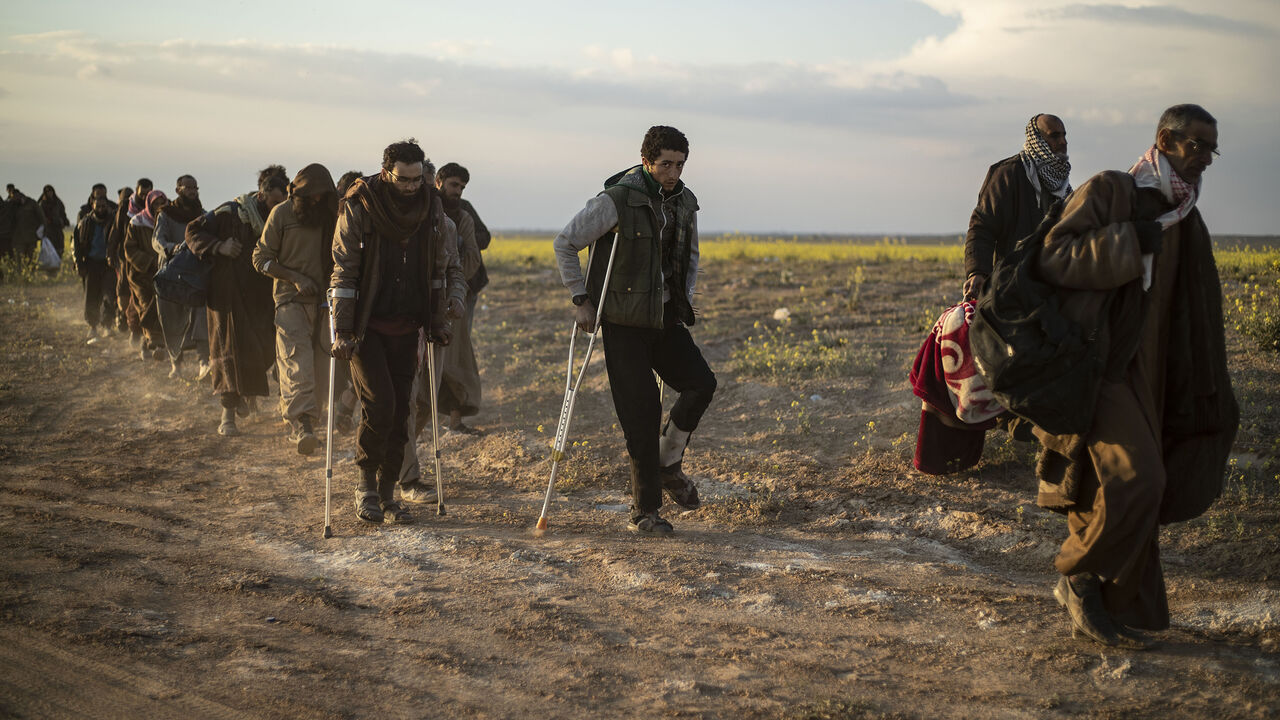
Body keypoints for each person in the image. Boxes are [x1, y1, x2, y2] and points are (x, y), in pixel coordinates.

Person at [1034, 104, 1237, 649]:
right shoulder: (1112, 192)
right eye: (1197, 145)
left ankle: (1114, 604)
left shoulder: (1185, 217)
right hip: (1101, 367)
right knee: (1137, 479)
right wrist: (1129, 241)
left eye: (1211, 149)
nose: (1205, 159)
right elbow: (1055, 257)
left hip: (1153, 376)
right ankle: (1076, 576)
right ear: (1166, 140)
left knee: (1115, 488)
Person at [552, 125, 716, 536]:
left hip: (663, 317)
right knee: (641, 414)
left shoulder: (684, 201)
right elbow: (566, 242)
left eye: (679, 165)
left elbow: (689, 256)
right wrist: (580, 299)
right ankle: (645, 511)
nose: (673, 172)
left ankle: (668, 461)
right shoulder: (616, 200)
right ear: (647, 160)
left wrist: (685, 296)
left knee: (701, 383)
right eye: (665, 164)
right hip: (623, 322)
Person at [330, 139, 465, 525]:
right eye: (403, 179)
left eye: (416, 178)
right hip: (365, 327)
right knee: (380, 405)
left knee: (402, 407)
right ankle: (366, 486)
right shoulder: (361, 204)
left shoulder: (430, 206)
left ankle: (388, 493)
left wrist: (442, 316)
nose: (410, 186)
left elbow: (443, 267)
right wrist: (341, 329)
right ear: (387, 171)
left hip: (409, 325)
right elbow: (343, 269)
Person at [253, 163, 351, 455]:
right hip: (290, 302)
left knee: (322, 368)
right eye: (312, 197)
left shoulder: (334, 216)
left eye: (323, 196)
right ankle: (301, 427)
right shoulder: (281, 214)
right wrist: (295, 278)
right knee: (297, 363)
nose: (317, 201)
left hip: (326, 305)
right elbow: (261, 258)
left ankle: (310, 419)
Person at [186, 166, 286, 437]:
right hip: (227, 299)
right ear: (263, 195)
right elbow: (193, 231)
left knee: (263, 350)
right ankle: (227, 415)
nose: (279, 207)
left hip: (262, 299)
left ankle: (246, 395)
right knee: (227, 355)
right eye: (275, 202)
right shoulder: (231, 212)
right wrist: (220, 247)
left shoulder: (283, 218)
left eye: (282, 202)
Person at [963, 114, 1071, 301]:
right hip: (1010, 285)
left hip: (1052, 287)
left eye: (1064, 135)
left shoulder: (1063, 187)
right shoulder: (1007, 175)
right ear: (1037, 140)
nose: (1063, 142)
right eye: (1054, 136)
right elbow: (982, 227)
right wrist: (977, 272)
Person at [433, 162, 486, 434]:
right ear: (438, 181)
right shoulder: (424, 207)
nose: (458, 191)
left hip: (451, 297)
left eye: (462, 187)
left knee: (455, 358)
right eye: (454, 184)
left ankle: (454, 420)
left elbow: (472, 258)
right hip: (417, 296)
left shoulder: (463, 215)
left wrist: (451, 288)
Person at [153, 175, 209, 378]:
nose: (193, 191)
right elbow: (157, 241)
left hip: (194, 276)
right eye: (188, 187)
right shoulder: (166, 215)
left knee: (201, 316)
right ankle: (176, 364)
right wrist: (173, 248)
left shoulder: (202, 215)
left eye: (195, 187)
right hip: (170, 275)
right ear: (178, 190)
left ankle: (204, 361)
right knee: (171, 319)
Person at [122, 189, 169, 360]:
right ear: (149, 205)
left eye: (161, 203)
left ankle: (151, 341)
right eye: (155, 203)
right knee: (144, 304)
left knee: (159, 307)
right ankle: (152, 341)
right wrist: (150, 261)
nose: (158, 206)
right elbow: (130, 249)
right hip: (140, 274)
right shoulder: (137, 222)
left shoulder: (166, 221)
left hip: (162, 273)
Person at [109, 180, 151, 343]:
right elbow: (116, 231)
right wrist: (110, 253)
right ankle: (124, 317)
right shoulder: (126, 207)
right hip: (126, 257)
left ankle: (138, 328)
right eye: (141, 194)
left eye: (147, 194)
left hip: (147, 260)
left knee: (143, 295)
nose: (144, 197)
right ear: (136, 191)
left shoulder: (153, 208)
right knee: (124, 290)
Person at [72, 195, 117, 338]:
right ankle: (92, 326)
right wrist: (79, 264)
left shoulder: (113, 222)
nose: (101, 209)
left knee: (109, 296)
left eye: (104, 206)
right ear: (93, 206)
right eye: (98, 206)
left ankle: (107, 326)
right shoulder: (85, 223)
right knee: (91, 296)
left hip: (109, 264)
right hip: (91, 264)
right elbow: (77, 247)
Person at [38, 185, 70, 258]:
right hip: (48, 231)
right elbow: (40, 217)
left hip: (58, 231)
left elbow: (63, 214)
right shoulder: (42, 204)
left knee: (59, 251)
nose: (49, 193)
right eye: (47, 192)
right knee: (48, 253)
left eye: (50, 191)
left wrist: (63, 221)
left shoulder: (58, 202)